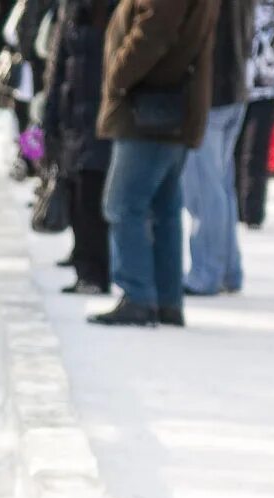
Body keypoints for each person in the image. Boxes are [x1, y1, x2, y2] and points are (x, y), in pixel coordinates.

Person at [87, 0, 219, 327]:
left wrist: (117, 75)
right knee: (163, 207)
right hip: (168, 107)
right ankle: (164, 299)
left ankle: (138, 297)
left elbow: (156, 30)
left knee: (123, 205)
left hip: (150, 108)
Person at [180, 0, 254, 298]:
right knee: (220, 185)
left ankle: (207, 272)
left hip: (210, 93)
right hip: (233, 88)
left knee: (205, 189)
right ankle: (227, 270)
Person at [42, 0, 114, 294]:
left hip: (102, 115)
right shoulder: (70, 9)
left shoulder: (111, 10)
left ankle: (95, 272)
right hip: (73, 113)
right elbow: (56, 63)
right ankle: (85, 263)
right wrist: (49, 118)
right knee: (76, 191)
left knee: (92, 193)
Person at [236, 0, 274, 230]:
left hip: (268, 89)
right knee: (235, 150)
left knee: (255, 151)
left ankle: (251, 213)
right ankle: (236, 211)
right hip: (237, 88)